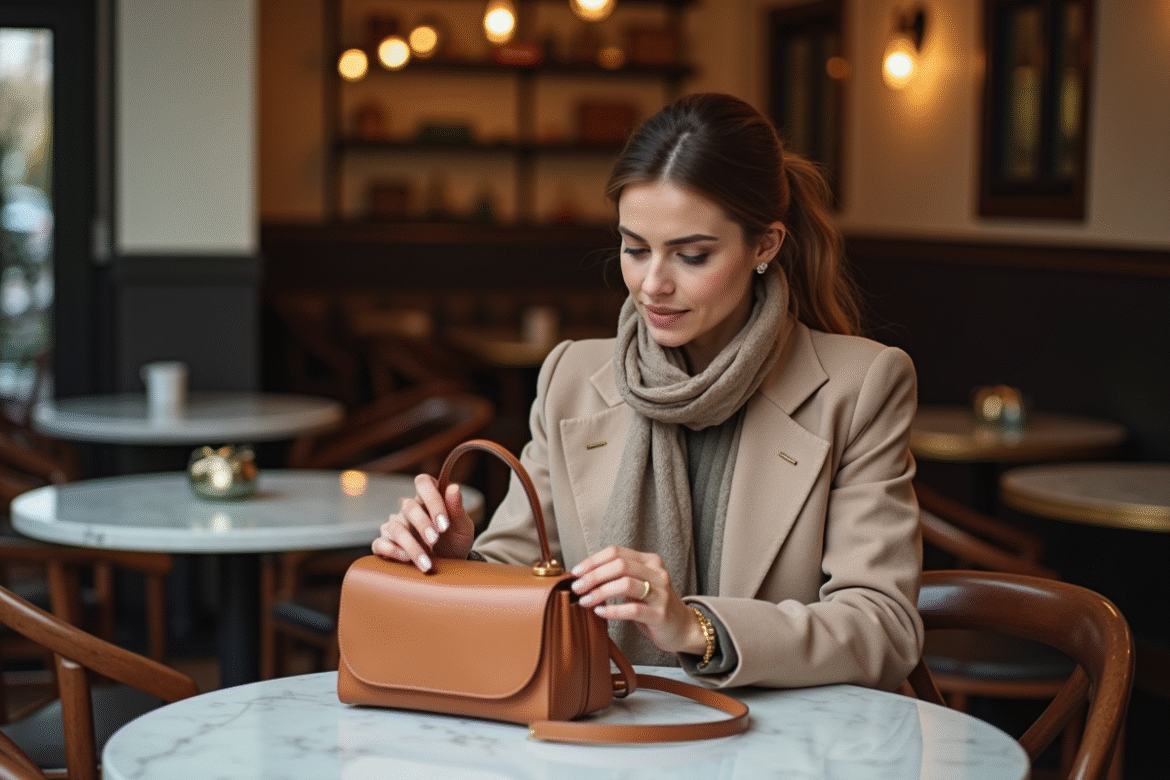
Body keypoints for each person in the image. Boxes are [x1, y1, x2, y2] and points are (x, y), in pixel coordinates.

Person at [373, 92, 922, 691]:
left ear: (765, 245)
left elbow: (883, 626)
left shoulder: (860, 386)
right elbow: (522, 574)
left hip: (788, 738)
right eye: (634, 249)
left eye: (692, 255)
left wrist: (695, 628)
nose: (652, 284)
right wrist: (455, 565)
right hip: (605, 724)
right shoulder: (570, 378)